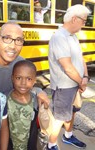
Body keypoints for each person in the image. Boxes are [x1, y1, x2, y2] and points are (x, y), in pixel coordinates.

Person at [47, 4, 91, 150]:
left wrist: (85, 76)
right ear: (74, 19)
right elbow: (67, 67)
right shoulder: (59, 37)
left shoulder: (72, 36)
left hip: (74, 84)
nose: (85, 24)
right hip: (63, 87)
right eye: (84, 20)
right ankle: (51, 144)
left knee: (71, 112)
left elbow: (80, 58)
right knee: (60, 117)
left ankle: (68, 135)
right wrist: (81, 82)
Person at [7, 60, 39, 150]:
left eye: (28, 79)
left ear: (34, 81)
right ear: (12, 78)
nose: (23, 83)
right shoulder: (5, 101)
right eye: (18, 78)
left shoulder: (36, 101)